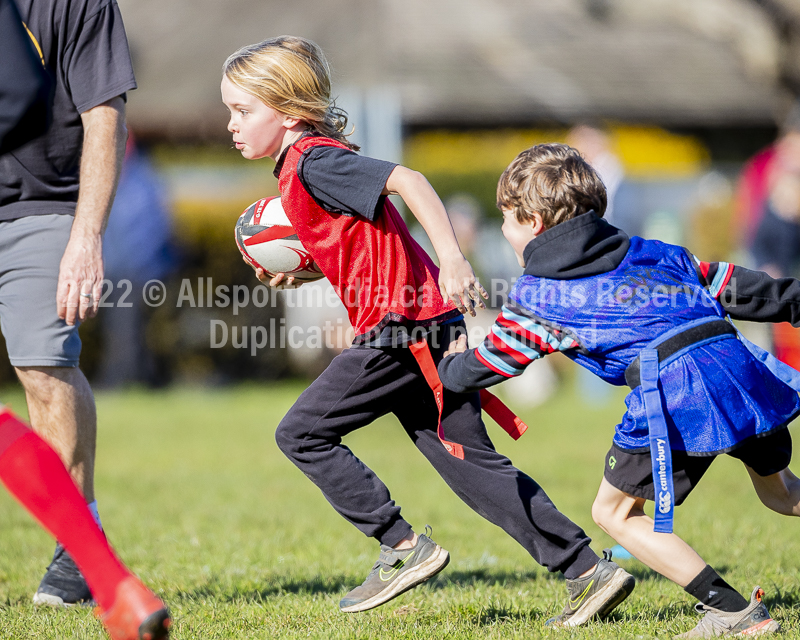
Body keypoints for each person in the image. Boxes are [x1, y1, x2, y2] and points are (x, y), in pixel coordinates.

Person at [222, 36, 635, 624]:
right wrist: (311, 269)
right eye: (230, 111)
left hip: (402, 330)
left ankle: (399, 546)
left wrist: (452, 259)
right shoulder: (301, 166)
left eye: (243, 111)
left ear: (289, 111)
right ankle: (587, 572)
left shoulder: (313, 160)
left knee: (302, 434)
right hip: (424, 326)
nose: (232, 125)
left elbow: (409, 180)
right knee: (470, 464)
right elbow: (364, 245)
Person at [438, 143, 800, 637]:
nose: (503, 228)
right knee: (781, 493)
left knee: (614, 512)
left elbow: (491, 363)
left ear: (534, 223)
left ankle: (734, 613)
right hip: (738, 368)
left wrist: (449, 367)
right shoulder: (654, 251)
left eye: (506, 218)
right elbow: (740, 287)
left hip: (675, 391)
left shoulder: (540, 295)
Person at [0, 2, 170, 638]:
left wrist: (86, 235)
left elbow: (105, 114)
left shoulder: (76, 3)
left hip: (42, 206)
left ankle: (78, 542)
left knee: (43, 367)